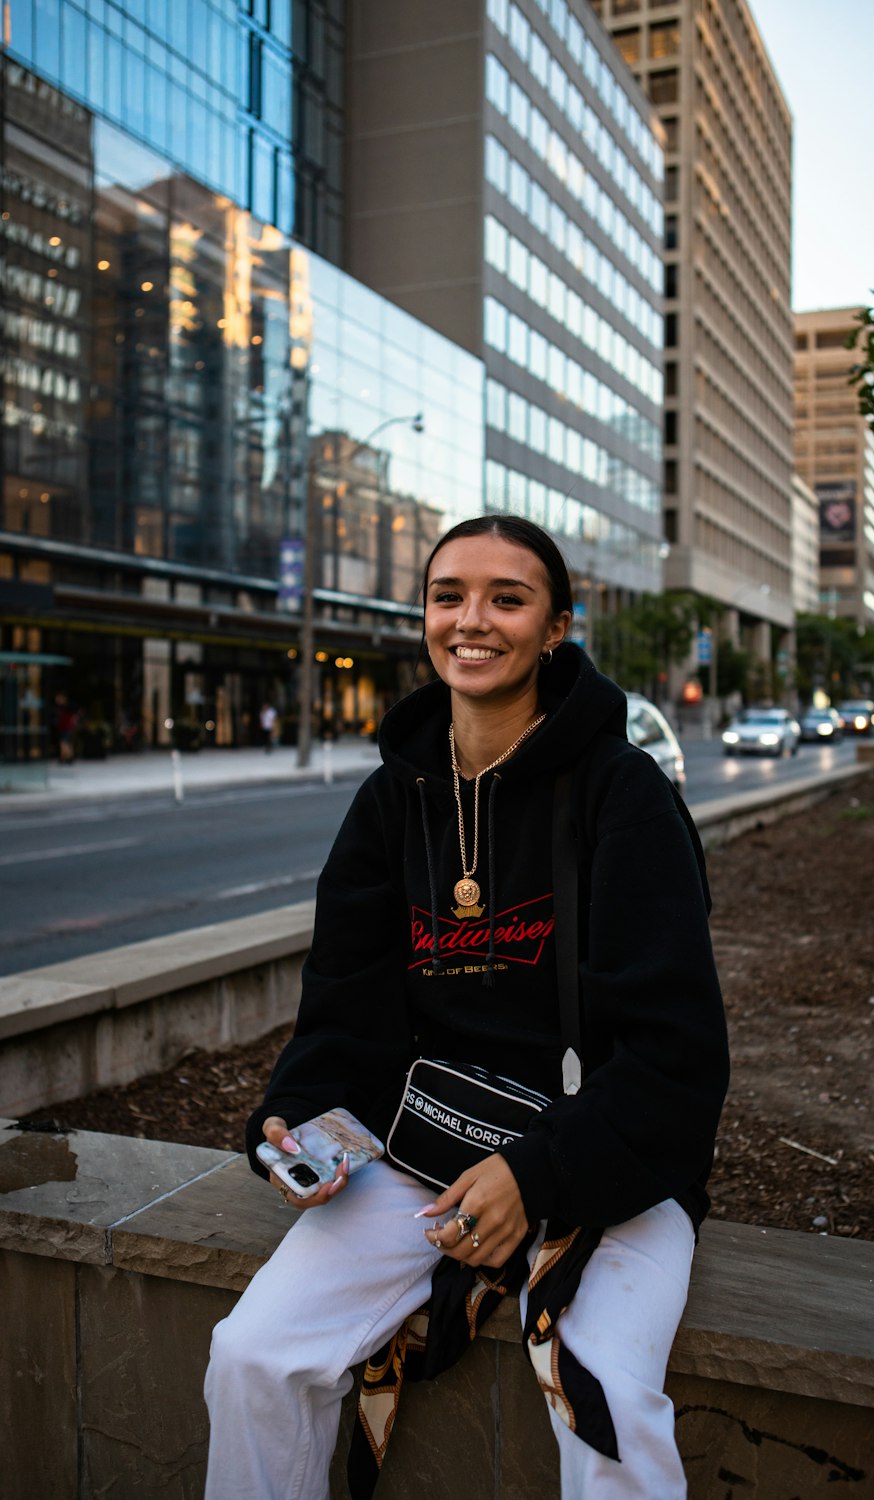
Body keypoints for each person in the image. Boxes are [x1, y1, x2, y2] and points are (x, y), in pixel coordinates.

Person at [204, 516, 729, 1499]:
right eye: (449, 596)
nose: (471, 620)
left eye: (507, 597)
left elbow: (678, 1059)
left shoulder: (624, 797)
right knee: (252, 1357)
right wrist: (297, 1116)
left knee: (604, 1399)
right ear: (425, 618)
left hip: (602, 1166)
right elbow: (342, 1013)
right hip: (421, 1160)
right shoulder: (388, 802)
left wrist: (537, 1174)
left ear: (556, 628)